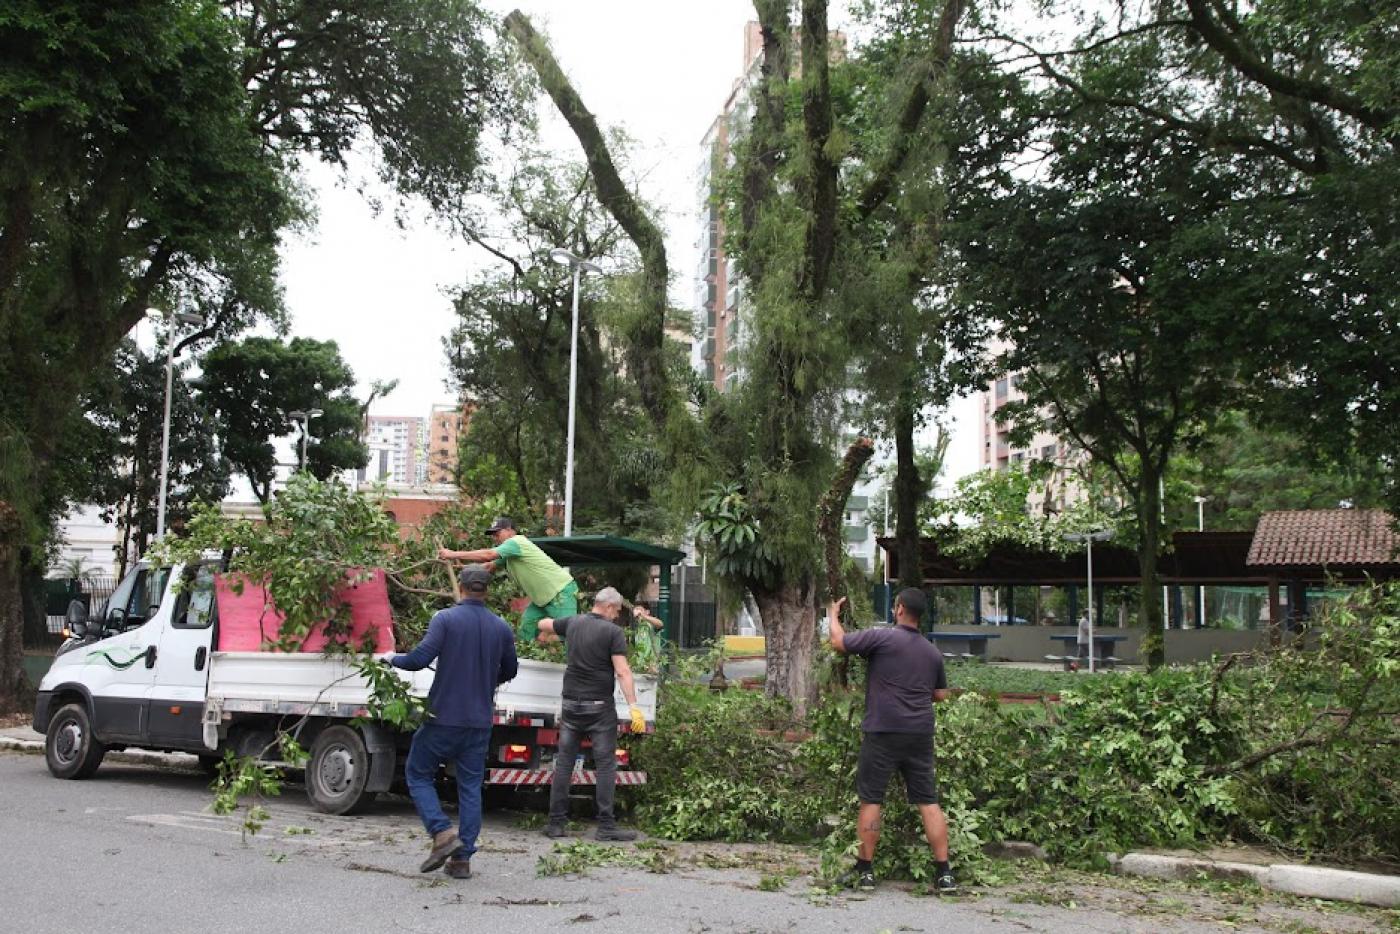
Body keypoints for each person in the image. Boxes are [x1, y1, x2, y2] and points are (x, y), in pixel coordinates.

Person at [388, 564, 518, 880]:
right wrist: (487, 679)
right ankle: (462, 861)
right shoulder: (501, 627)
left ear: (461, 587)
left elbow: (419, 660)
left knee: (418, 773)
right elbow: (510, 670)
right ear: (486, 590)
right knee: (470, 787)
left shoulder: (445, 619)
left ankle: (441, 831)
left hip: (443, 718)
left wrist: (391, 658)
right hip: (478, 722)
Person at [826, 588, 958, 894]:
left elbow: (838, 642)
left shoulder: (881, 637)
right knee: (928, 800)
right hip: (920, 734)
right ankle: (944, 873)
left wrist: (833, 615)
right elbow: (940, 694)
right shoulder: (931, 651)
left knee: (872, 799)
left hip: (883, 731)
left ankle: (866, 871)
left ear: (899, 609)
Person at [537, 587, 648, 841]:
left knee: (564, 763)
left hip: (571, 706)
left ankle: (556, 825)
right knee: (606, 765)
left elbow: (543, 623)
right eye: (617, 611)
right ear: (608, 607)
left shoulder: (573, 623)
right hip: (599, 708)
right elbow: (622, 672)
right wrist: (633, 707)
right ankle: (606, 827)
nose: (617, 616)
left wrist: (546, 628)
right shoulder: (613, 632)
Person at [439, 516, 578, 643]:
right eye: (493, 535)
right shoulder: (508, 552)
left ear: (510, 531)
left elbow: (489, 555)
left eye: (497, 533)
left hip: (560, 591)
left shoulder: (516, 542)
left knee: (568, 636)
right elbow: (489, 566)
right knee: (527, 630)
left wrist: (452, 554)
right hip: (542, 599)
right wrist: (466, 568)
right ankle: (533, 659)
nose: (495, 538)